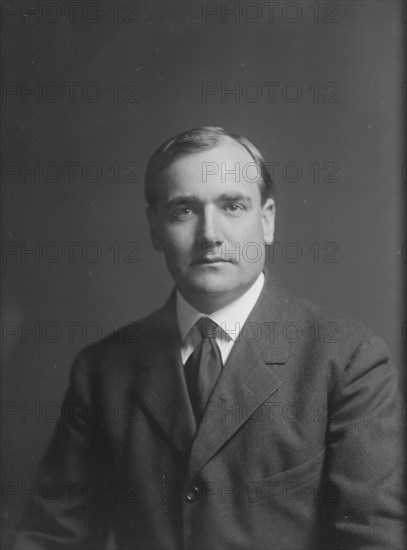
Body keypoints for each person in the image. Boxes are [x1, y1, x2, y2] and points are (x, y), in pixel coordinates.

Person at [13, 127, 404, 550]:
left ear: (267, 220)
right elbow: (50, 537)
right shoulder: (102, 370)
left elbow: (374, 538)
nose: (210, 234)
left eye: (233, 206)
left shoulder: (348, 360)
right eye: (184, 211)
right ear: (154, 228)